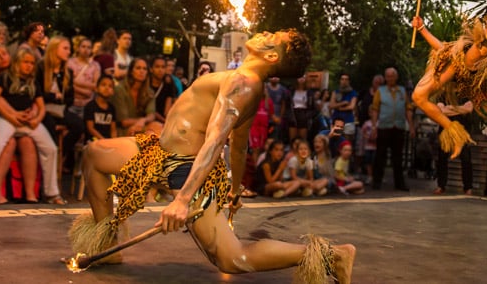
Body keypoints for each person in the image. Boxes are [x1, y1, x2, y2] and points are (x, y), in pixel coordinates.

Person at [71, 29, 355, 283]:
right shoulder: (244, 81)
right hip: (157, 151)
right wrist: (233, 192)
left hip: (184, 167)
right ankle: (105, 247)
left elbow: (217, 140)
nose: (266, 32)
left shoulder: (244, 83)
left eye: (274, 38)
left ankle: (333, 256)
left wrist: (182, 200)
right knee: (94, 155)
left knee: (232, 259)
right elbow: (240, 145)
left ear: (271, 56)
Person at [411, 15, 487, 159]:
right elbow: (441, 47)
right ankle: (455, 133)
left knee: (421, 94)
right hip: (459, 67)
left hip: (473, 70)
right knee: (418, 96)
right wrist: (421, 28)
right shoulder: (462, 48)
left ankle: (486, 46)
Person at [0, 46, 64, 204]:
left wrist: (36, 119)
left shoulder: (33, 83)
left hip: (28, 121)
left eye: (32, 63)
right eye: (25, 62)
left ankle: (52, 193)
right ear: (17, 62)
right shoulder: (5, 77)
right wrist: (11, 116)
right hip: (9, 120)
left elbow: (41, 105)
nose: (29, 65)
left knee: (51, 148)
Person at [37, 36, 85, 174]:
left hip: (60, 109)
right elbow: (37, 92)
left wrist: (59, 99)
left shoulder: (67, 72)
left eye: (69, 48)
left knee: (79, 125)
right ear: (54, 48)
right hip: (43, 108)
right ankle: (50, 164)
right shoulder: (41, 67)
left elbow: (70, 98)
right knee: (50, 126)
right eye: (65, 48)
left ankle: (60, 154)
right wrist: (52, 96)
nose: (69, 52)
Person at [370, 67, 414, 191]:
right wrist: (374, 126)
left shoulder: (402, 91)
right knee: (380, 156)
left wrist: (411, 126)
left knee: (398, 157)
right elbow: (375, 109)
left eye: (392, 76)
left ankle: (399, 183)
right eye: (388, 76)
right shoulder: (380, 91)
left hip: (398, 127)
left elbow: (408, 109)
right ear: (385, 78)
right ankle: (377, 182)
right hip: (384, 127)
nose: (390, 78)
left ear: (396, 77)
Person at [111, 57, 161, 137]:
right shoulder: (119, 89)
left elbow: (151, 114)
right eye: (138, 68)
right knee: (153, 130)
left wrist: (143, 120)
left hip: (140, 126)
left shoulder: (149, 92)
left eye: (144, 69)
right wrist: (140, 122)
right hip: (121, 130)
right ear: (131, 71)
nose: (142, 71)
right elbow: (124, 122)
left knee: (157, 127)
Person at [433, 101, 474, 195]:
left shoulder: (465, 93)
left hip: (462, 132)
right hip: (445, 131)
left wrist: (450, 107)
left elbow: (468, 109)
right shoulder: (443, 94)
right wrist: (460, 109)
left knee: (466, 159)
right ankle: (441, 186)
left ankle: (468, 187)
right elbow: (440, 111)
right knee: (442, 158)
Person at [67, 35, 101, 118]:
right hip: (71, 103)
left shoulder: (95, 65)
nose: (86, 49)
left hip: (87, 105)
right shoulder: (69, 63)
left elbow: (96, 85)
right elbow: (68, 83)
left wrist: (75, 83)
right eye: (83, 46)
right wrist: (85, 92)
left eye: (89, 47)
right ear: (78, 48)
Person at [83, 75, 117, 142]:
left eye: (110, 86)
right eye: (103, 85)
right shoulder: (90, 106)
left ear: (113, 91)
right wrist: (103, 140)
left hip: (107, 141)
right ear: (96, 88)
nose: (107, 88)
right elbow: (90, 128)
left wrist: (113, 141)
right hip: (93, 140)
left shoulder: (112, 108)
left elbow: (113, 130)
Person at [288, 74, 317, 141]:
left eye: (303, 78)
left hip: (304, 114)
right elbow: (287, 104)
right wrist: (289, 115)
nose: (301, 79)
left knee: (302, 139)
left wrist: (307, 116)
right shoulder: (292, 91)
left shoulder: (309, 93)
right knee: (292, 139)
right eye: (299, 78)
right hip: (293, 114)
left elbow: (314, 108)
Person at [148, 56, 177, 123]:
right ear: (151, 69)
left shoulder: (168, 85)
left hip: (162, 121)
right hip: (147, 119)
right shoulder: (145, 85)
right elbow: (150, 111)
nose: (160, 70)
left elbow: (167, 110)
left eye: (163, 67)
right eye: (157, 67)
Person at [329, 73, 357, 140]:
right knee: (336, 139)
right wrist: (343, 103)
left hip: (348, 121)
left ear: (349, 81)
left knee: (347, 141)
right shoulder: (335, 92)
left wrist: (339, 108)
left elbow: (352, 106)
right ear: (340, 80)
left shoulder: (353, 93)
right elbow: (331, 105)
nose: (344, 81)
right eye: (342, 79)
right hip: (337, 121)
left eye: (346, 79)